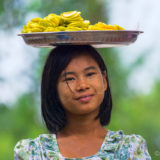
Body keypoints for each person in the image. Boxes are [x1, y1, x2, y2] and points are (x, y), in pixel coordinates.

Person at [14, 45, 151, 160]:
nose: (82, 85)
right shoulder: (32, 153)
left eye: (90, 74)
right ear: (52, 89)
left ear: (104, 81)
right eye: (70, 79)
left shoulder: (130, 149)